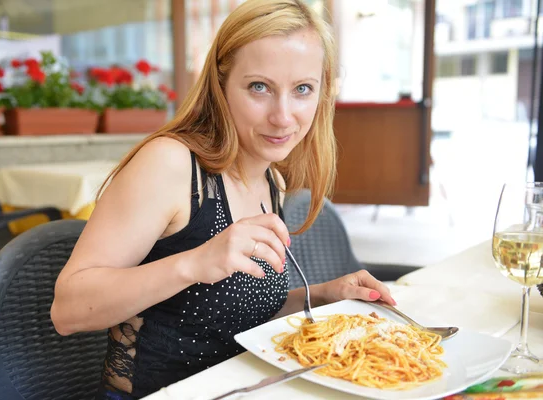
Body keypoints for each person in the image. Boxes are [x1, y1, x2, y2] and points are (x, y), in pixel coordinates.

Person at [50, 1, 396, 398]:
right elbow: (68, 310)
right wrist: (196, 262)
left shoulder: (270, 178)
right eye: (259, 87)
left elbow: (230, 315)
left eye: (302, 89)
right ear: (221, 84)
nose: (283, 116)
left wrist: (323, 295)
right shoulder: (172, 164)